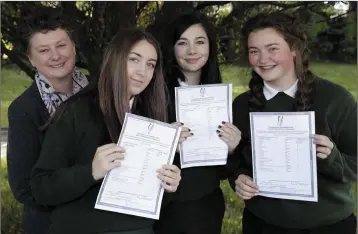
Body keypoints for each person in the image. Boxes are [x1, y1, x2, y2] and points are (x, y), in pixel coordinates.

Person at [30, 27, 182, 234]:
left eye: (150, 64)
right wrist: (91, 171)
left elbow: (154, 201)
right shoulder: (77, 111)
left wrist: (168, 184)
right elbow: (41, 188)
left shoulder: (153, 116)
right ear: (116, 59)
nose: (142, 72)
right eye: (134, 59)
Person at [229, 12, 357, 234]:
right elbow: (234, 160)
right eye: (254, 51)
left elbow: (355, 164)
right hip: (263, 223)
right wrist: (238, 178)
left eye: (272, 48)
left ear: (294, 49)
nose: (262, 58)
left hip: (328, 225)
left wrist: (332, 157)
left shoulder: (335, 100)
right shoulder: (241, 105)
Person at [153, 12, 242, 234]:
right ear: (172, 48)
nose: (192, 51)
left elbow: (223, 171)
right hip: (162, 208)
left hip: (205, 207)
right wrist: (163, 139)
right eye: (182, 43)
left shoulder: (220, 100)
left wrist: (231, 148)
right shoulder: (154, 95)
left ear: (210, 47)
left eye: (200, 42)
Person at [7, 7, 89, 234]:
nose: (55, 56)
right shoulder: (24, 110)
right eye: (44, 50)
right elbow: (24, 188)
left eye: (61, 45)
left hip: (103, 222)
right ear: (30, 58)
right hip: (52, 226)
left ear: (74, 46)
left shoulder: (100, 92)